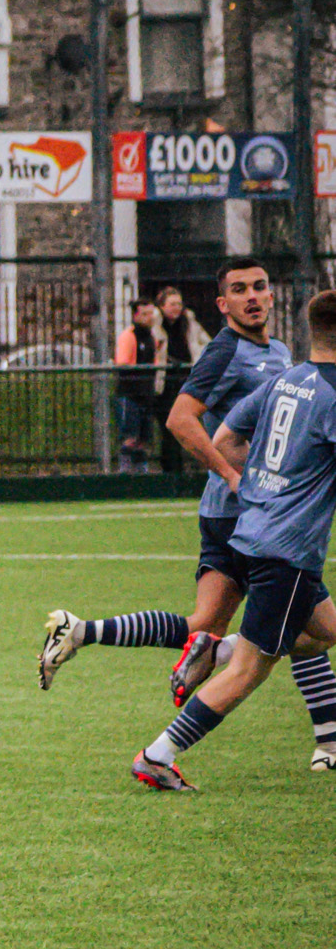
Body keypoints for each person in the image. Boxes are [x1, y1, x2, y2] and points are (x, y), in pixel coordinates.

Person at [41, 264, 335, 756]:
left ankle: (85, 631)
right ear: (222, 304)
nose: (253, 298)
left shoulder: (282, 354)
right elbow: (181, 419)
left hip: (262, 511)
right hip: (244, 512)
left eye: (260, 287)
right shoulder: (227, 350)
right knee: (279, 619)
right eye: (239, 291)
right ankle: (320, 741)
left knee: (249, 621)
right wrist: (233, 476)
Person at [132, 288, 336, 786]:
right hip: (285, 550)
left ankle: (220, 649)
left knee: (320, 632)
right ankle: (157, 756)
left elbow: (224, 440)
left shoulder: (286, 379)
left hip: (252, 530)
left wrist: (272, 475)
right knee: (249, 671)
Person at [114, 299, 166, 473]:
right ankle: (126, 473)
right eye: (144, 314)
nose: (149, 317)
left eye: (151, 313)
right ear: (135, 315)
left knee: (144, 439)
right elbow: (122, 363)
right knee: (130, 436)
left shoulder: (151, 337)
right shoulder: (129, 335)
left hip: (146, 393)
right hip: (130, 394)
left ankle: (142, 473)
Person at [154, 285, 202, 473]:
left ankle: (191, 465)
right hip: (166, 382)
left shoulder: (188, 323)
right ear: (162, 306)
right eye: (172, 304)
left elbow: (204, 341)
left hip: (186, 379)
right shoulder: (156, 324)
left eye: (179, 304)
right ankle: (171, 468)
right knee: (168, 425)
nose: (177, 308)